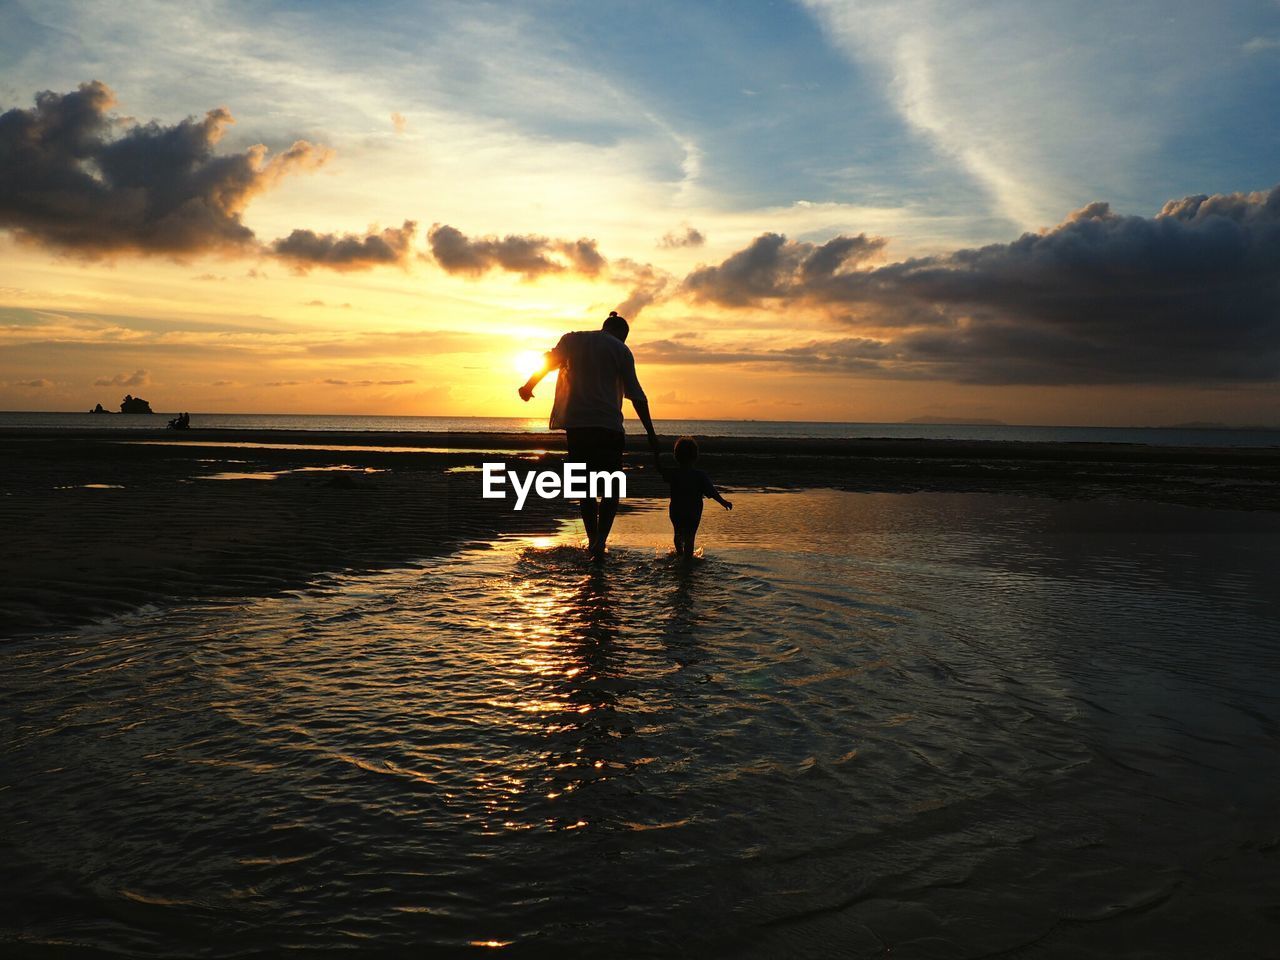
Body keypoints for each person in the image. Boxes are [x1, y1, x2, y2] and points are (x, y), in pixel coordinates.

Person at [519, 310, 659, 559]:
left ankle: (592, 538)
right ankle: (600, 542)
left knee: (584, 486)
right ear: (622, 334)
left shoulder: (572, 340)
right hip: (608, 427)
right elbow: (636, 394)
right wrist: (650, 432)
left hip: (578, 427)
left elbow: (548, 362)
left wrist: (529, 385)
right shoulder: (621, 349)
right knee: (610, 486)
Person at [653, 436, 732, 557]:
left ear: (676, 456)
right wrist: (723, 502)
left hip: (677, 510)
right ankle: (687, 561)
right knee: (690, 537)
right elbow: (711, 491)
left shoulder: (674, 474)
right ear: (695, 456)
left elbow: (659, 470)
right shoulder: (700, 475)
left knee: (678, 534)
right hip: (693, 512)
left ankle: (680, 554)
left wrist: (656, 454)